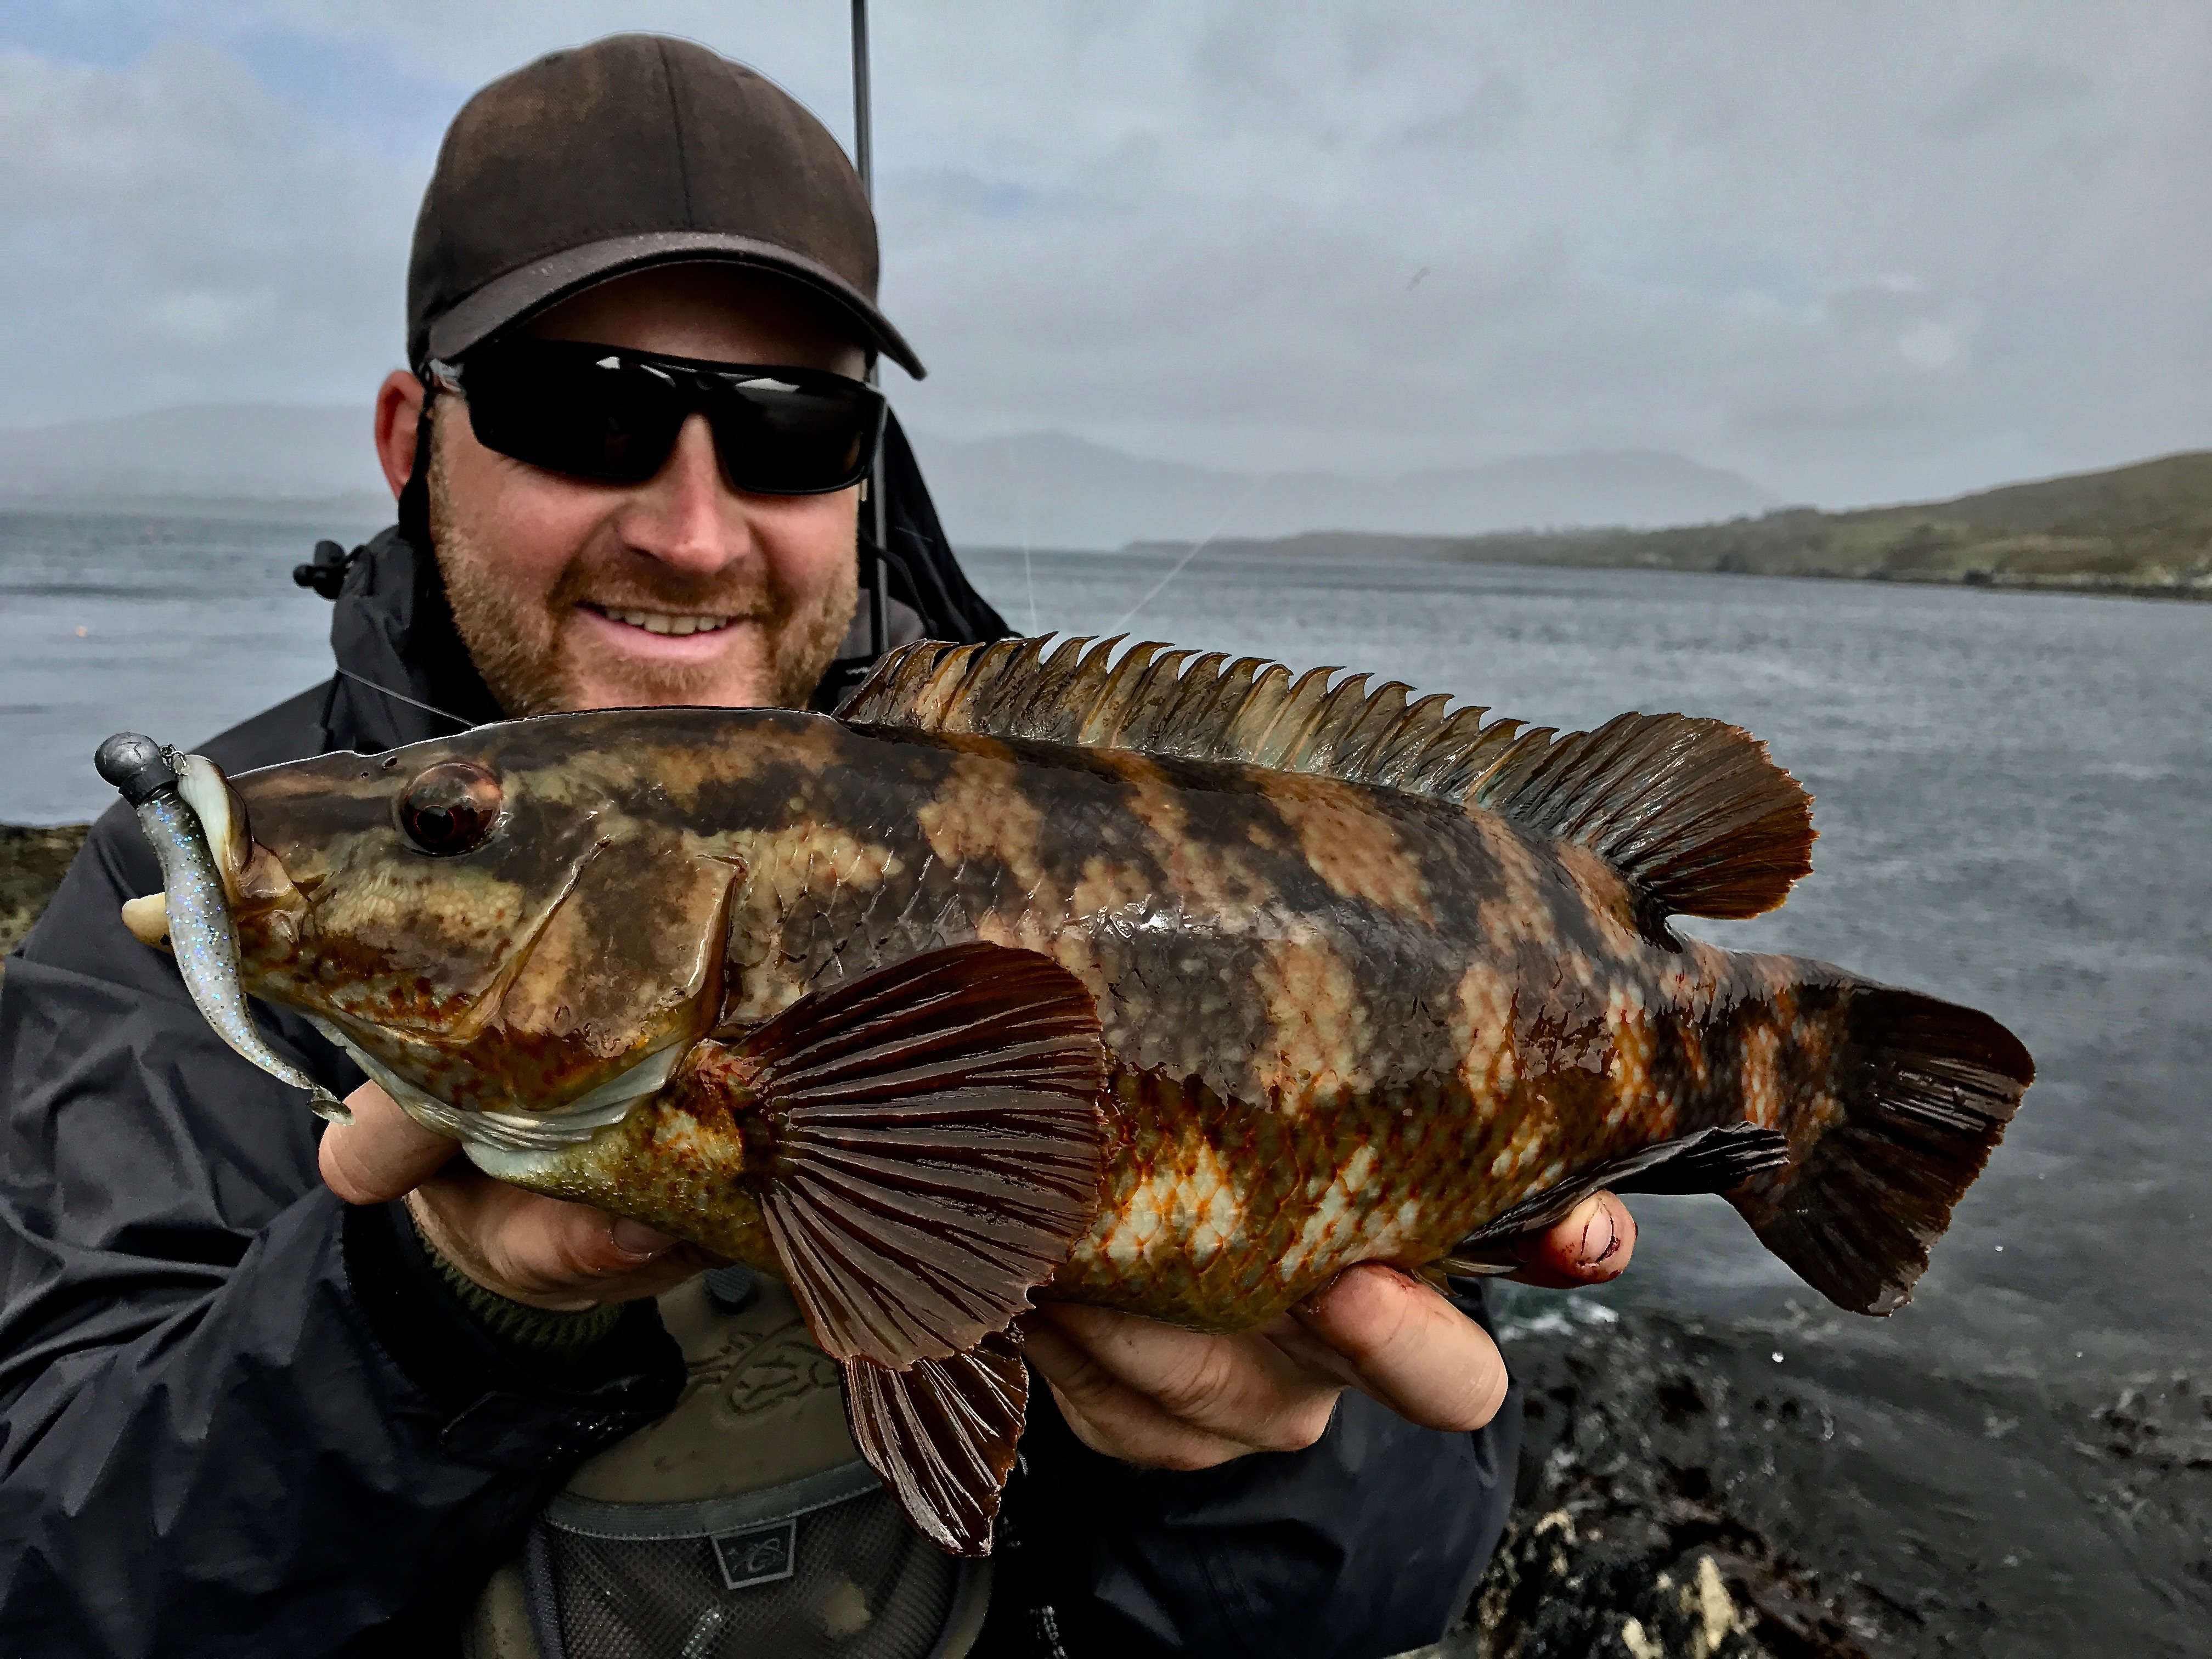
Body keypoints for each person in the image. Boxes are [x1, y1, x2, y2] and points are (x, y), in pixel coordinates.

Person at [0, 36, 1636, 1659]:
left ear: (864, 474)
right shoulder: (199, 900)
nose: (693, 529)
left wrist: (1249, 1438)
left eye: (790, 430)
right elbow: (49, 1569)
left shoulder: (1088, 815)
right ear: (407, 436)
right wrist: (429, 1311)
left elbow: (1378, 1584)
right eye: (587, 409)